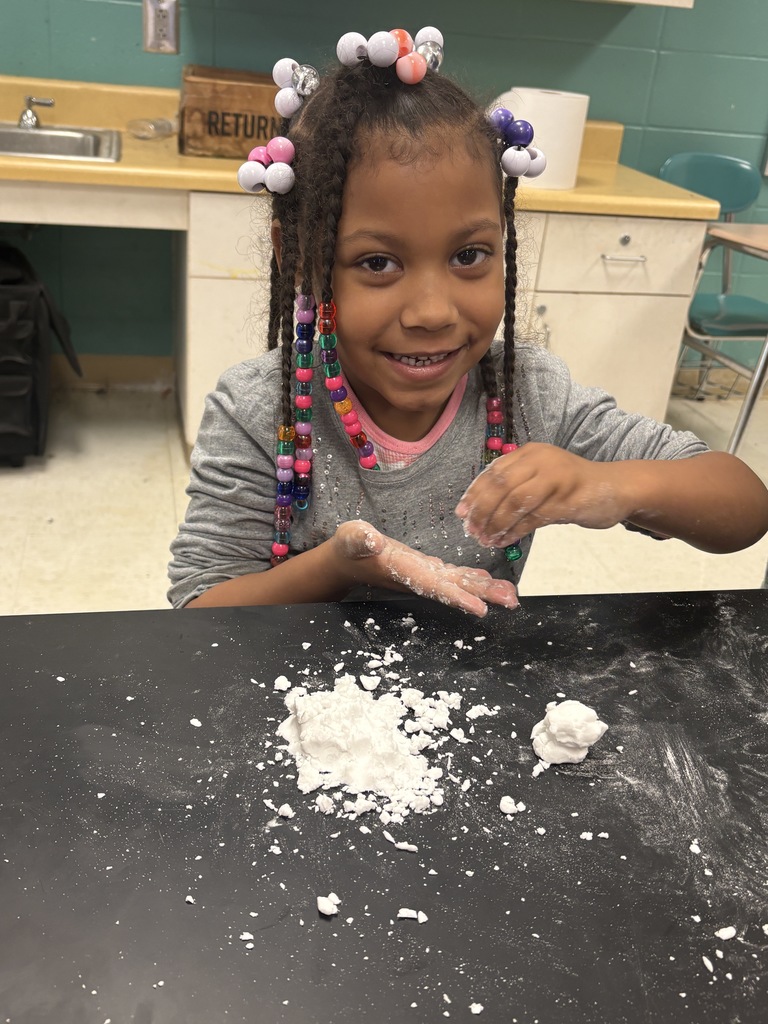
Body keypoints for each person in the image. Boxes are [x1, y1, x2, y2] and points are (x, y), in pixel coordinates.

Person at [168, 27, 768, 617]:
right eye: (378, 263)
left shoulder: (526, 393)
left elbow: (743, 506)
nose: (433, 312)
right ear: (296, 256)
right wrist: (341, 564)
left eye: (468, 256)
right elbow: (201, 608)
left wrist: (611, 486)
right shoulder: (257, 411)